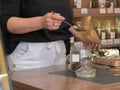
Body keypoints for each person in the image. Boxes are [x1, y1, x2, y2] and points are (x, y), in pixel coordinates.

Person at [0, 0, 100, 71]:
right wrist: (41, 22)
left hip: (59, 54)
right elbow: (6, 22)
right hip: (28, 57)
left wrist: (83, 35)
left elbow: (64, 22)